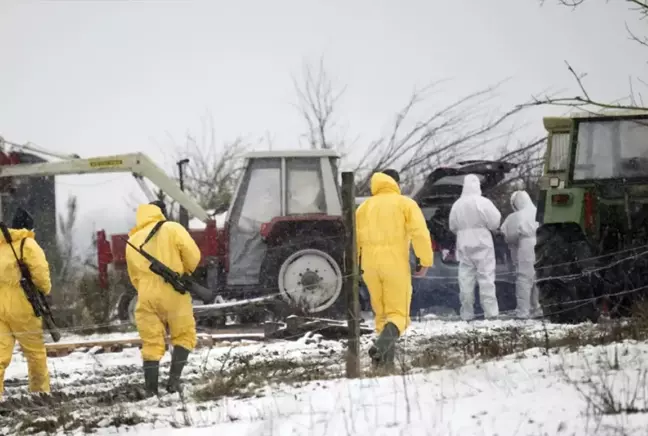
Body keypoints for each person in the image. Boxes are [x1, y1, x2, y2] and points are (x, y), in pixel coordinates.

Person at [356, 169, 433, 369]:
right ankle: (380, 347)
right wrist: (424, 260)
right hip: (395, 265)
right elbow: (420, 233)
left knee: (382, 315)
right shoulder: (405, 204)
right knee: (399, 315)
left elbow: (354, 241)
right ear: (395, 183)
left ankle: (384, 364)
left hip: (369, 267)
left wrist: (355, 266)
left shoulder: (363, 208)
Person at [125, 200, 201, 396]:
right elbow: (193, 255)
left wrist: (145, 287)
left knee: (151, 342)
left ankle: (151, 389)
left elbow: (133, 276)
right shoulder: (172, 228)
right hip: (173, 291)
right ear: (161, 212)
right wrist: (186, 272)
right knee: (184, 335)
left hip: (145, 295)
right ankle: (173, 383)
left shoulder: (132, 240)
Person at [0, 207, 52, 397]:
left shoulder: (1, 245)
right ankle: (40, 394)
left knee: (0, 354)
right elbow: (40, 275)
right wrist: (45, 290)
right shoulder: (27, 244)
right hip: (23, 304)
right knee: (35, 353)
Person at [449, 174, 502, 321]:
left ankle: (467, 314)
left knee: (465, 280)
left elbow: (452, 226)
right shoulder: (483, 202)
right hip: (483, 242)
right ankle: (491, 314)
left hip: (464, 243)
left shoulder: (457, 205)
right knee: (486, 278)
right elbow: (495, 222)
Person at [500, 190, 541, 319]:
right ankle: (537, 307)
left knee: (524, 279)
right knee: (537, 278)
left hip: (526, 246)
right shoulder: (539, 212)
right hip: (541, 244)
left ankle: (523, 311)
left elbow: (508, 236)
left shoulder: (516, 217)